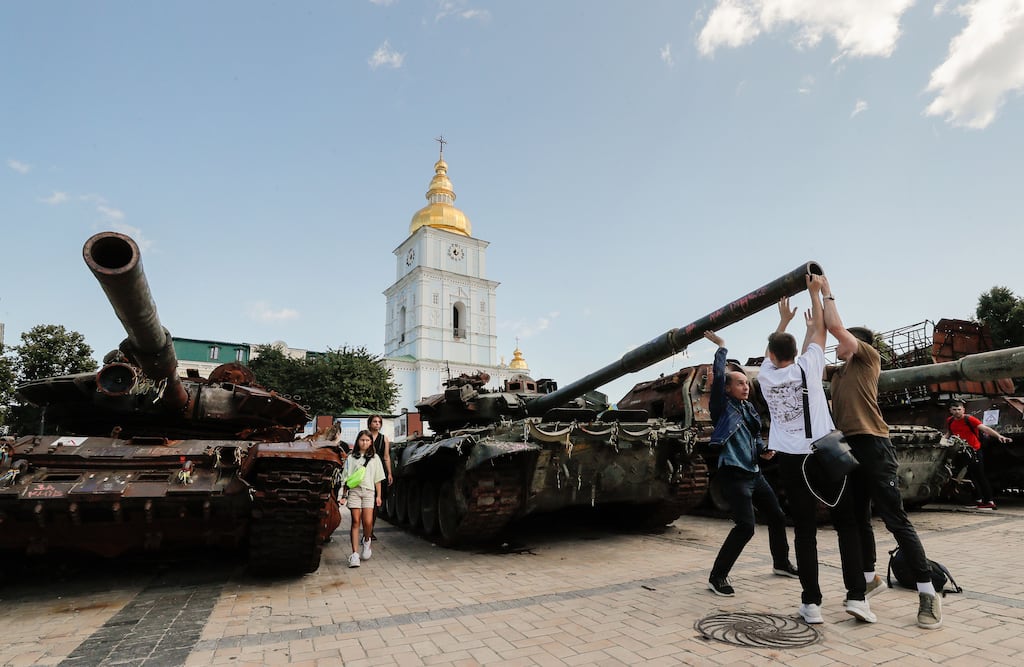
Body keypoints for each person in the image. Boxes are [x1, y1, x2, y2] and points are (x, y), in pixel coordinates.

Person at [820, 276, 943, 629]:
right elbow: (813, 348)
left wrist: (826, 292)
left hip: (874, 444)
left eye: (840, 341)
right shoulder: (839, 373)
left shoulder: (867, 359)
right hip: (849, 448)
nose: (835, 346)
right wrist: (813, 312)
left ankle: (927, 594)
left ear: (855, 343)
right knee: (858, 519)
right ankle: (871, 579)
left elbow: (834, 326)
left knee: (895, 520)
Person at [757, 275, 876, 625]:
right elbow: (821, 335)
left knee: (805, 532)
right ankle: (856, 597)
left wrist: (784, 322)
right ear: (797, 354)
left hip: (792, 460)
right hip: (824, 454)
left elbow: (777, 350)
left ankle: (811, 603)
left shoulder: (764, 376)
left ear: (771, 355)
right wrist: (815, 294)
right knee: (847, 525)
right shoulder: (808, 368)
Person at [703, 330, 798, 598]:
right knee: (746, 526)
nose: (745, 386)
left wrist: (762, 451)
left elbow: (754, 436)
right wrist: (722, 347)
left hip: (754, 473)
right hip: (734, 473)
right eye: (740, 383)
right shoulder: (722, 407)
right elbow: (719, 375)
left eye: (747, 383)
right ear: (727, 388)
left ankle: (781, 563)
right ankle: (717, 577)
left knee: (777, 516)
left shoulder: (749, 409)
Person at [945, 400, 1011, 510]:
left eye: (959, 409)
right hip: (962, 451)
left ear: (963, 410)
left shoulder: (969, 419)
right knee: (971, 476)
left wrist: (999, 436)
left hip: (974, 450)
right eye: (954, 410)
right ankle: (979, 500)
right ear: (950, 411)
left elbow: (984, 428)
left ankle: (989, 501)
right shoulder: (950, 420)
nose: (957, 412)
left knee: (980, 476)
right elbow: (949, 432)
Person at [339, 429, 386, 568]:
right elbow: (346, 478)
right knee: (355, 521)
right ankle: (354, 555)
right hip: (354, 492)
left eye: (367, 440)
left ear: (371, 442)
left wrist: (379, 496)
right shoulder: (351, 458)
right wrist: (343, 495)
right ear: (357, 441)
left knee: (368, 522)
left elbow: (378, 479)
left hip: (369, 492)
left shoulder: (375, 458)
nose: (364, 442)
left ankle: (367, 540)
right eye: (362, 440)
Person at [367, 414, 393, 539]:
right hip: (366, 471)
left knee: (376, 502)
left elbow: (386, 457)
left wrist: (389, 473)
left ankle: (370, 531)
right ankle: (367, 530)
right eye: (375, 421)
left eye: (379, 422)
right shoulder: (364, 437)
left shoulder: (384, 439)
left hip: (379, 471)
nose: (377, 424)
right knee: (367, 503)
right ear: (370, 423)